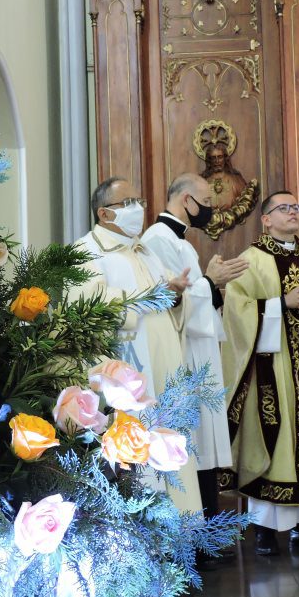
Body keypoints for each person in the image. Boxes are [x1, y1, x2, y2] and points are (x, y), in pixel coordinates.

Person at [221, 191, 299, 555]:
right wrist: (280, 304)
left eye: (296, 207)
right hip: (272, 370)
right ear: (266, 219)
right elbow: (235, 311)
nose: (293, 213)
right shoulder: (251, 261)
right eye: (284, 208)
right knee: (276, 444)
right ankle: (263, 530)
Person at [72, 177, 203, 514]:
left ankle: (181, 533)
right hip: (128, 369)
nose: (139, 210)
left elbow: (168, 307)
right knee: (138, 450)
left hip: (164, 363)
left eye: (140, 201)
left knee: (170, 438)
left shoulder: (143, 251)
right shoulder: (86, 252)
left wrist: (175, 298)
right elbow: (88, 306)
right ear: (104, 213)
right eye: (127, 203)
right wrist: (149, 298)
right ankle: (147, 531)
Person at [142, 173, 249, 566]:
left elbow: (194, 296)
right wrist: (210, 280)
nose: (212, 207)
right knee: (190, 443)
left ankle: (203, 536)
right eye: (206, 198)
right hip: (181, 353)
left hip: (198, 350)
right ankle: (191, 541)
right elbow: (170, 300)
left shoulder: (179, 241)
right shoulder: (158, 239)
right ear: (186, 200)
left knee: (202, 444)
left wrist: (209, 282)